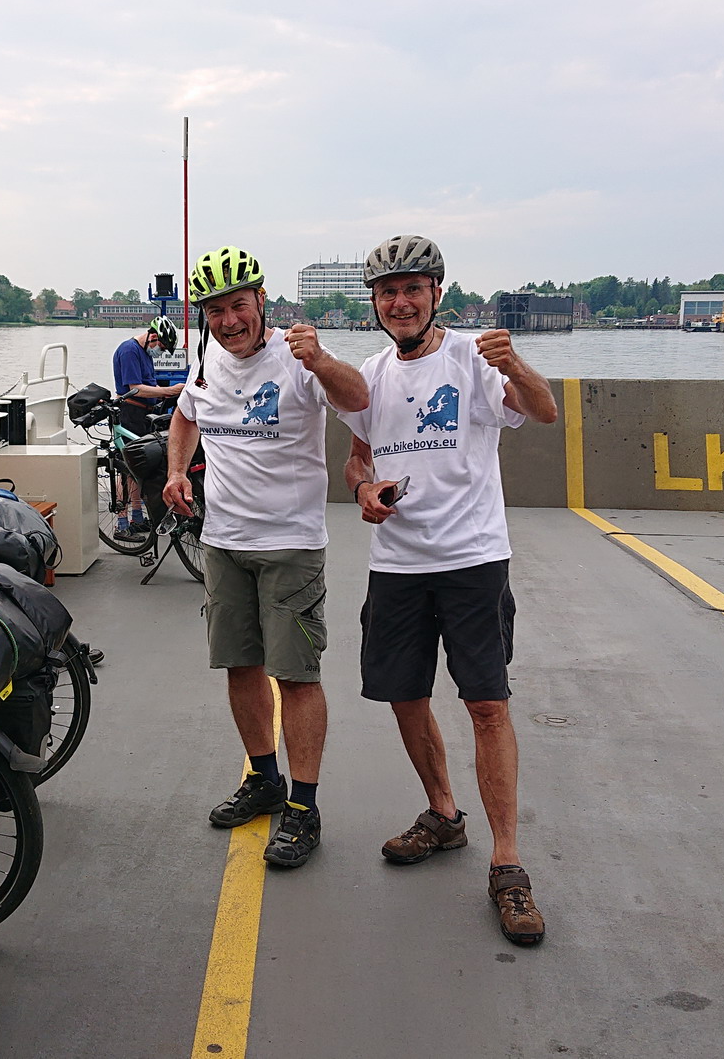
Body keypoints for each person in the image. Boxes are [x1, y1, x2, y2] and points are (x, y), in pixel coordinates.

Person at [338, 234, 558, 946]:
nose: (399, 302)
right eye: (387, 292)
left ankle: (508, 865)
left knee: (487, 704)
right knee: (404, 695)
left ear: (437, 293)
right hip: (398, 562)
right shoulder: (370, 375)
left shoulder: (471, 357)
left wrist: (515, 363)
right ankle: (443, 814)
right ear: (375, 303)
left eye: (412, 289)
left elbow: (545, 411)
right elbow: (356, 461)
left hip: (471, 559)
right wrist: (367, 490)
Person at [163, 245, 369, 868]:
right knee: (240, 666)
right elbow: (183, 416)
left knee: (297, 676)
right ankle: (264, 779)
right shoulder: (206, 361)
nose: (229, 320)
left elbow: (360, 400)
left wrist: (323, 359)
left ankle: (303, 808)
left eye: (239, 306)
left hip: (290, 545)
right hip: (222, 543)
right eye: (216, 310)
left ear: (261, 302)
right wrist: (177, 471)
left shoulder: (298, 358)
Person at [107, 317, 182, 535]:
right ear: (153, 337)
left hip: (144, 413)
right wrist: (170, 391)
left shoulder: (145, 352)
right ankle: (122, 523)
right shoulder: (129, 350)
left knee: (140, 468)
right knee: (126, 467)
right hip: (130, 411)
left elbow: (150, 384)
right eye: (161, 346)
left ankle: (138, 516)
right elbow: (136, 388)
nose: (160, 351)